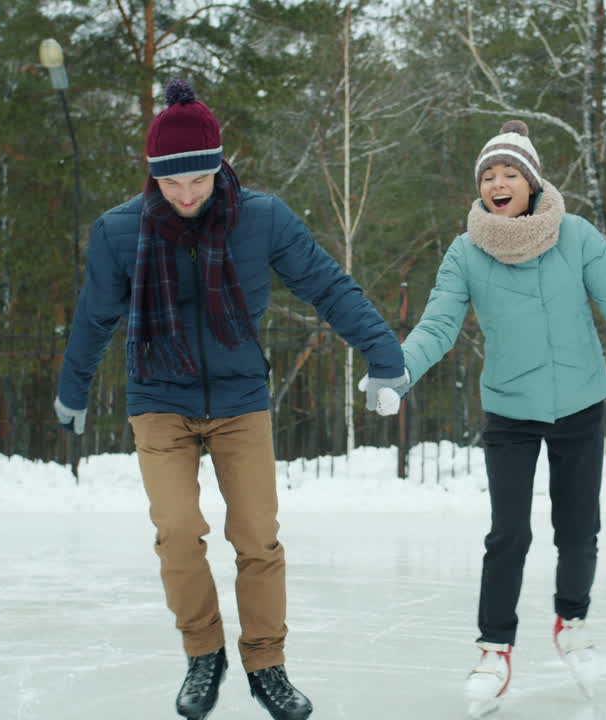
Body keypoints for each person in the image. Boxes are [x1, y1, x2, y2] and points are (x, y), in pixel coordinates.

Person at [52, 79, 407, 720]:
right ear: (152, 177)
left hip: (241, 401)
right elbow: (94, 316)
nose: (187, 196)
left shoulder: (262, 217)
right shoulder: (118, 232)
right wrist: (72, 385)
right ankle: (202, 651)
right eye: (172, 184)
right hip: (159, 397)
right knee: (179, 532)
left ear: (219, 166)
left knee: (256, 538)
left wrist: (384, 355)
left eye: (199, 180)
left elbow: (327, 285)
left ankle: (266, 663)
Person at [374, 120, 606, 717]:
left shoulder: (576, 237)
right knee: (508, 534)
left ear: (532, 182)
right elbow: (439, 325)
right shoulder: (465, 251)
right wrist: (399, 372)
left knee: (578, 529)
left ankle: (571, 622)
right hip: (511, 411)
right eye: (489, 176)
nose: (499, 183)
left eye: (510, 173)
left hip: (579, 404)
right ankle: (494, 647)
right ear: (481, 188)